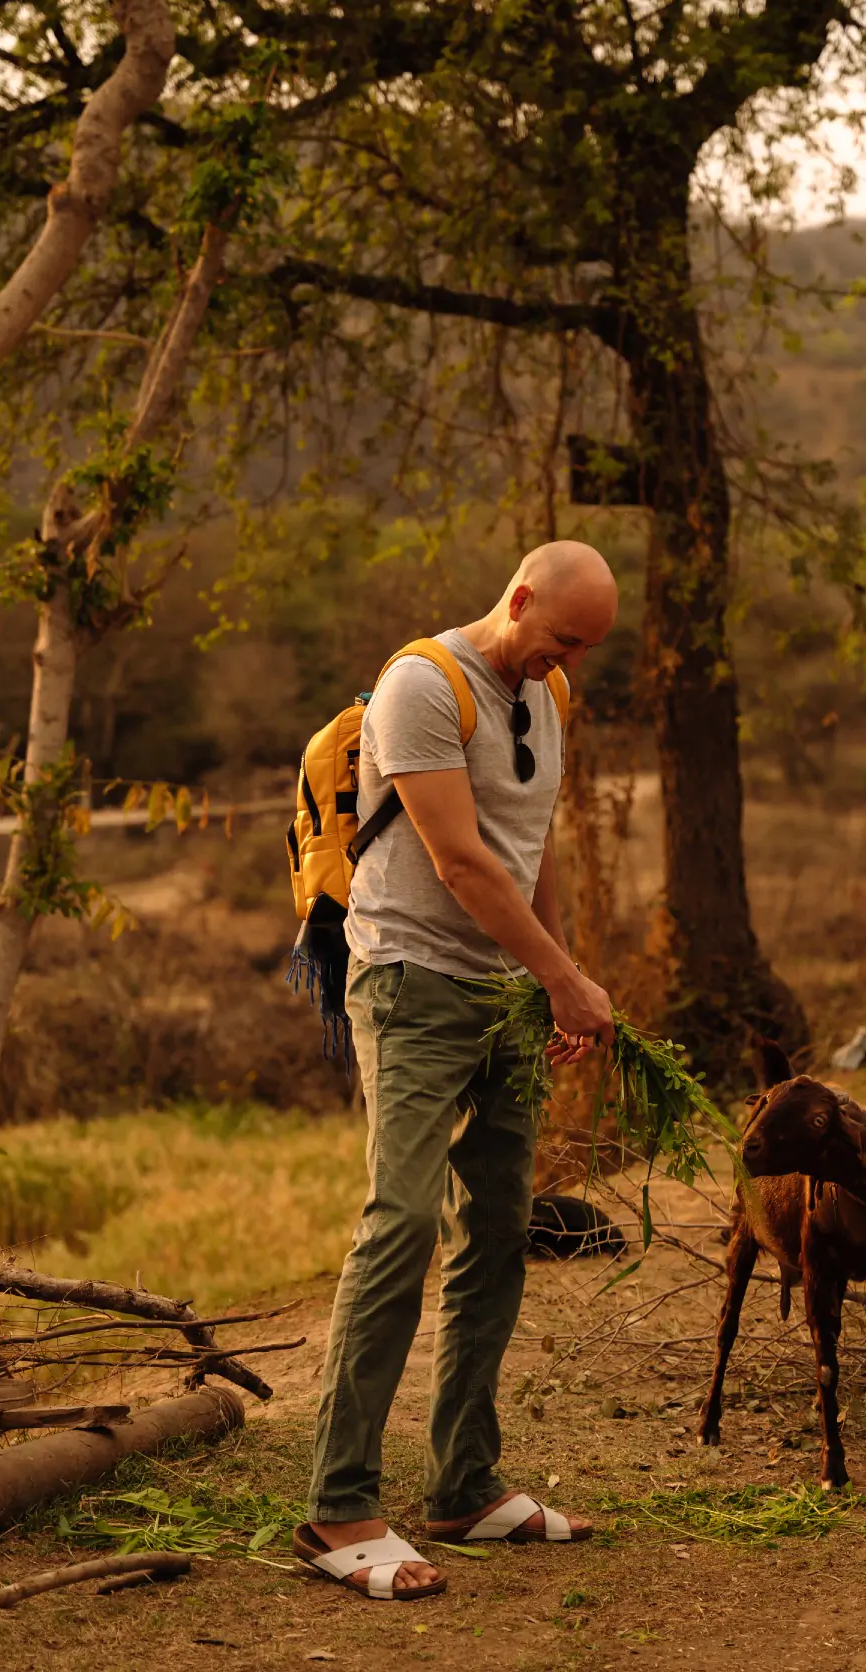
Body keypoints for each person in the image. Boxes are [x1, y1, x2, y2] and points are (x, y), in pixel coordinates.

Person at [293, 540, 620, 1602]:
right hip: (412, 987)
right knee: (401, 1221)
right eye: (562, 636)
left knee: (498, 1227)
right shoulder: (421, 687)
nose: (565, 660)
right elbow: (461, 860)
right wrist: (565, 978)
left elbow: (530, 847)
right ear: (519, 598)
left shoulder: (550, 687)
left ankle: (464, 1489)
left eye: (583, 648)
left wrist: (554, 979)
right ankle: (340, 1509)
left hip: (505, 997)